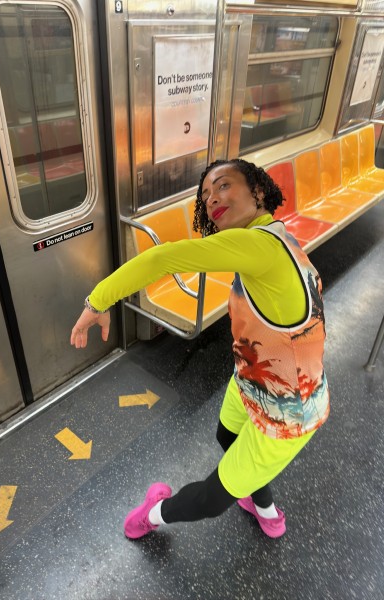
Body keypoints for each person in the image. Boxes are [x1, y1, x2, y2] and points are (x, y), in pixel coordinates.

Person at [71, 158, 329, 540]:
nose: (212, 199)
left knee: (210, 499)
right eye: (205, 195)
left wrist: (97, 302)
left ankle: (153, 514)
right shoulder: (277, 236)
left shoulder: (259, 246)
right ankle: (259, 502)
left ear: (258, 191)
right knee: (226, 437)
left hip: (288, 415)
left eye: (223, 186)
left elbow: (162, 258)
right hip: (253, 378)